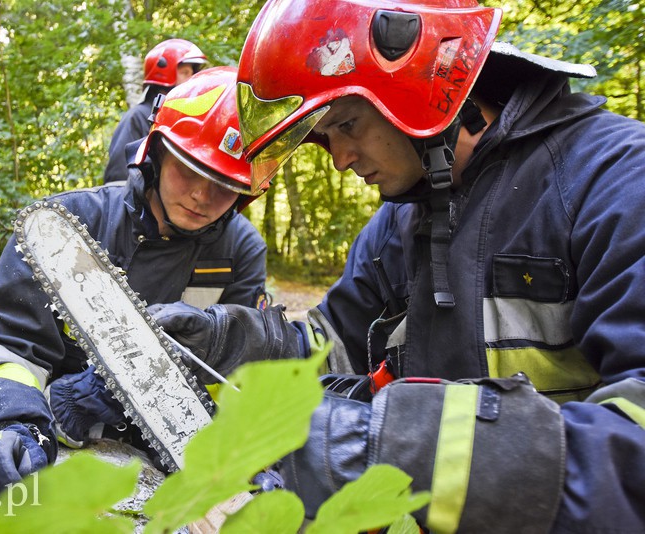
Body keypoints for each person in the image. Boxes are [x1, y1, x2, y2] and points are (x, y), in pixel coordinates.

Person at [151, 0, 645, 531]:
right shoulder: (399, 225)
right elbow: (333, 345)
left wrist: (388, 450)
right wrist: (225, 340)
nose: (339, 159)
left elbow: (631, 455)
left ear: (423, 87)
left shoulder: (615, 182)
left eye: (345, 125)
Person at [0, 66, 269, 523]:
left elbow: (238, 367)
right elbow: (9, 344)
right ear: (155, 154)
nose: (201, 195)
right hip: (54, 417)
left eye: (224, 186)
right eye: (190, 170)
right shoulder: (71, 223)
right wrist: (7, 425)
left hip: (173, 438)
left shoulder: (240, 250)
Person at [103, 38, 207, 184]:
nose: (192, 80)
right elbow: (118, 180)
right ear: (165, 76)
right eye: (185, 73)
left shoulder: (187, 121)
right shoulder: (137, 118)